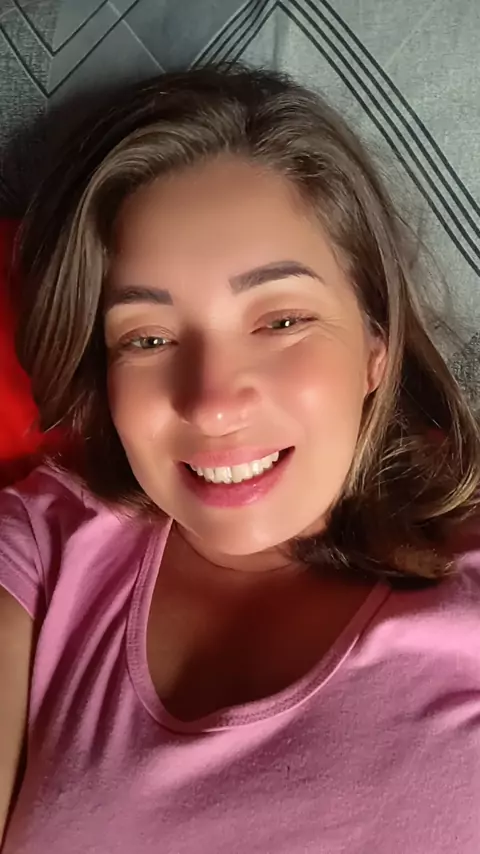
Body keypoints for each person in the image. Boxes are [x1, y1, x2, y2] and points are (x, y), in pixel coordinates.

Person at [1, 64, 479, 854]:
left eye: (281, 321)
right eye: (148, 338)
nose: (212, 404)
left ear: (375, 345)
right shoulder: (45, 551)